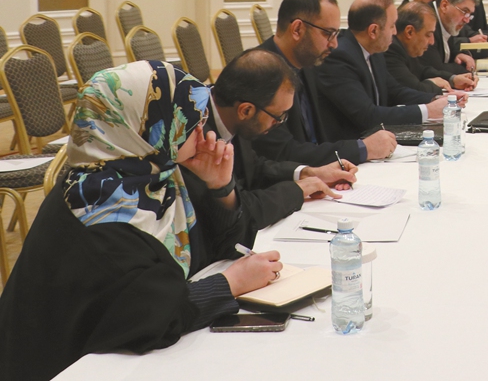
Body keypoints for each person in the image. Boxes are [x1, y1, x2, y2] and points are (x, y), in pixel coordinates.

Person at [0, 61, 284, 381]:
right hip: (66, 366)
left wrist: (220, 187)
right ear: (147, 125)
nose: (202, 132)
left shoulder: (152, 175)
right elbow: (150, 316)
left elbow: (220, 249)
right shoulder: (96, 205)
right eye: (188, 122)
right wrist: (230, 283)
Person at [200, 49, 357, 246]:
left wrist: (307, 173)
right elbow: (240, 209)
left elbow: (253, 168)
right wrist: (296, 191)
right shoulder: (198, 138)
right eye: (278, 117)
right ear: (246, 110)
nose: (279, 123)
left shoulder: (231, 113)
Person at [253, 0, 397, 166]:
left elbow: (320, 137)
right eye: (328, 34)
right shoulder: (261, 76)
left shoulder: (308, 63)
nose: (335, 44)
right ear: (297, 29)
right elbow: (283, 152)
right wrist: (362, 148)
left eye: (336, 34)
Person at [315, 0, 460, 143]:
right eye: (392, 26)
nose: (396, 32)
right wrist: (427, 111)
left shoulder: (374, 51)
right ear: (373, 31)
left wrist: (437, 99)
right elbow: (367, 116)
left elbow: (394, 91)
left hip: (377, 139)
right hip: (350, 148)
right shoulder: (339, 57)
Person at [386, 2, 477, 93]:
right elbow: (414, 90)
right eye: (428, 35)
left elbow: (422, 71)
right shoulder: (392, 49)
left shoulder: (405, 47)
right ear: (409, 32)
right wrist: (432, 83)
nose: (432, 42)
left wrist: (453, 79)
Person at [420, 0, 479, 77]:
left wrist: (458, 55)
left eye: (469, 14)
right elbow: (435, 69)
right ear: (444, 6)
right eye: (464, 11)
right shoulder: (426, 22)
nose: (467, 20)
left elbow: (449, 49)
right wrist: (463, 68)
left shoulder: (447, 22)